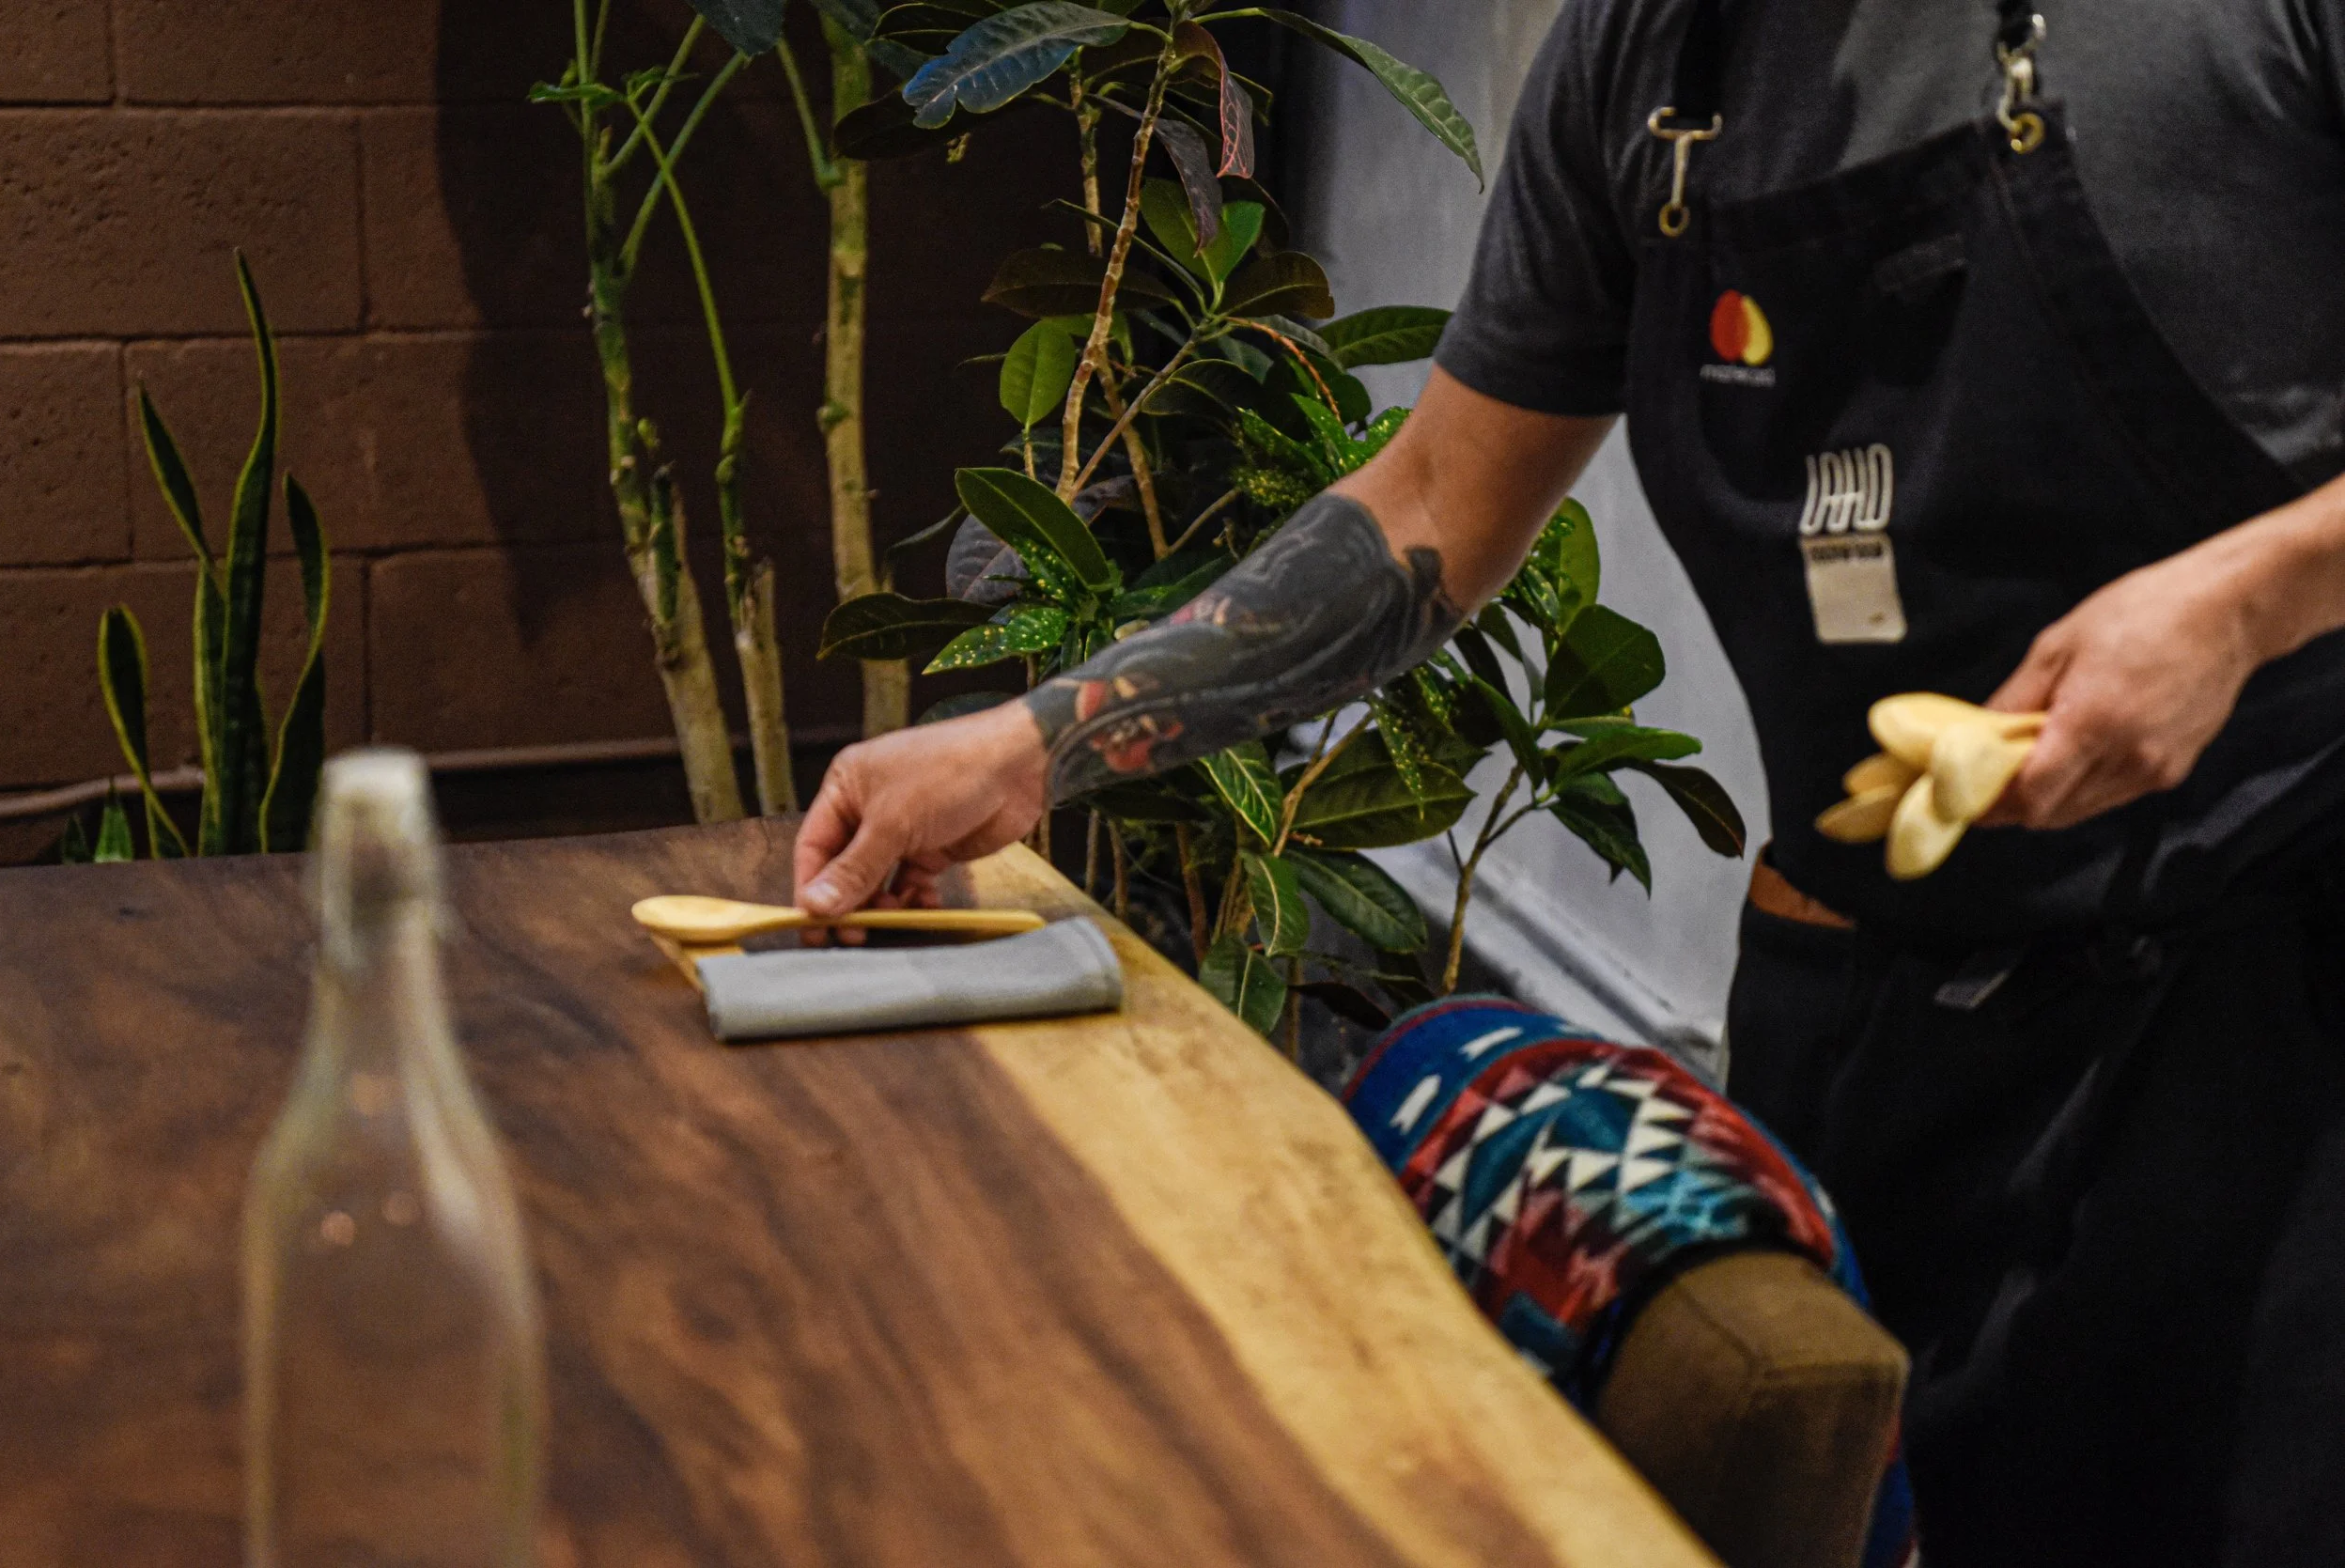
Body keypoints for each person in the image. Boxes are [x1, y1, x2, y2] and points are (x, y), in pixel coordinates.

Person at [793, 1, 2345, 1560]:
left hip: (2262, 1014)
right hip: (1864, 1012)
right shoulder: (1645, 57)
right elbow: (1435, 502)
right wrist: (1035, 740)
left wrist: (2249, 600)